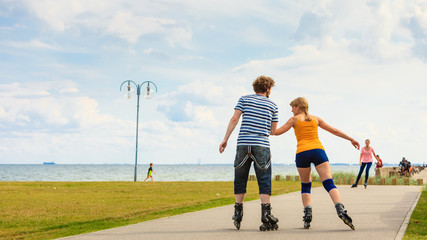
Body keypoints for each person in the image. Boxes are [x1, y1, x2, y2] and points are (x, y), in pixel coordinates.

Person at [273, 97, 359, 230]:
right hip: (318, 151)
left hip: (302, 153)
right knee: (328, 182)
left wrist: (270, 122)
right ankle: (340, 209)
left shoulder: (294, 120)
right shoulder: (316, 119)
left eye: (293, 107)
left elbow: (276, 132)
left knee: (305, 184)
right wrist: (351, 139)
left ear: (299, 107)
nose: (291, 110)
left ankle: (307, 215)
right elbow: (334, 130)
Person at [219, 75, 279, 231]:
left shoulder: (244, 99)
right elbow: (273, 131)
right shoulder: (273, 105)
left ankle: (237, 213)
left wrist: (225, 139)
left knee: (240, 178)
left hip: (243, 144)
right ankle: (266, 213)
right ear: (267, 88)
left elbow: (234, 119)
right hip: (262, 145)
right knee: (264, 179)